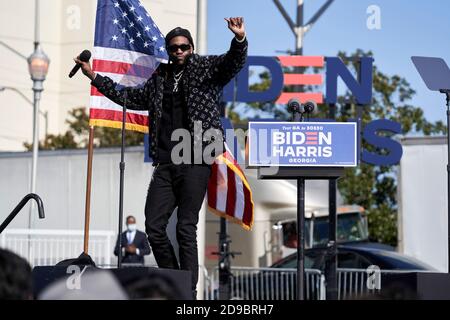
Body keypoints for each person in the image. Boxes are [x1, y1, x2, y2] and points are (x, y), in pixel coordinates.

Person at [76, 17, 247, 299]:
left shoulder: (205, 68)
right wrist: (94, 76)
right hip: (166, 161)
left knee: (185, 226)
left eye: (183, 46)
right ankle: (174, 279)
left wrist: (239, 39)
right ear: (168, 50)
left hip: (197, 156)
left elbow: (232, 62)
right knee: (154, 227)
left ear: (191, 48)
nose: (178, 51)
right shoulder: (159, 77)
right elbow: (127, 97)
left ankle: (187, 291)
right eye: (173, 47)